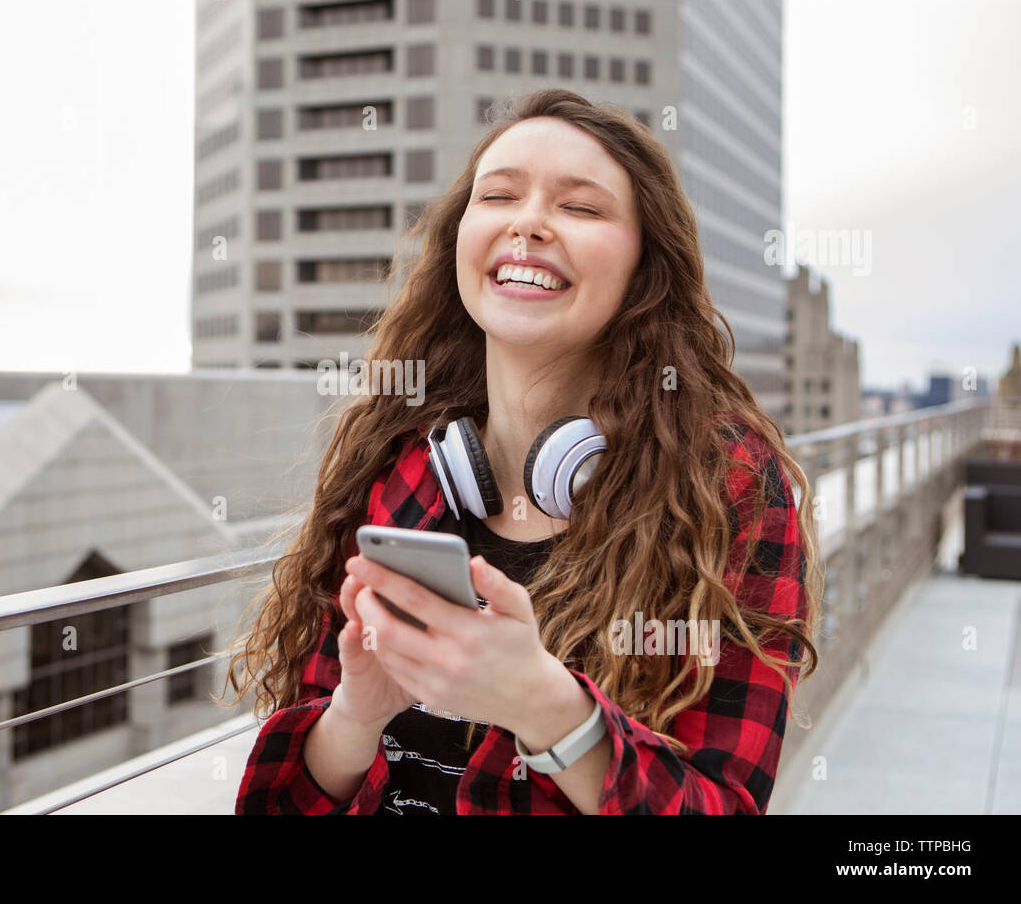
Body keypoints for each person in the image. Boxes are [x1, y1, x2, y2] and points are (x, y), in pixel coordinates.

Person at [218, 88, 823, 815]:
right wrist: (357, 713)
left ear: (644, 265)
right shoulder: (401, 464)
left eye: (580, 208)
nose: (529, 224)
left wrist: (543, 705)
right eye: (499, 196)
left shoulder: (728, 485)